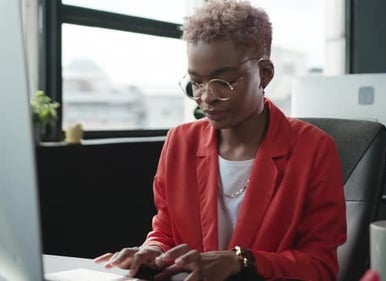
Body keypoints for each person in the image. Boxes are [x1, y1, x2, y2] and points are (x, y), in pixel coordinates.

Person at [95, 0, 347, 280]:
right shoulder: (180, 142)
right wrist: (153, 250)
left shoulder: (313, 148)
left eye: (224, 82)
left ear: (264, 74)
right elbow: (165, 230)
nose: (207, 97)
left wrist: (243, 261)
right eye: (197, 83)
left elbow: (320, 267)